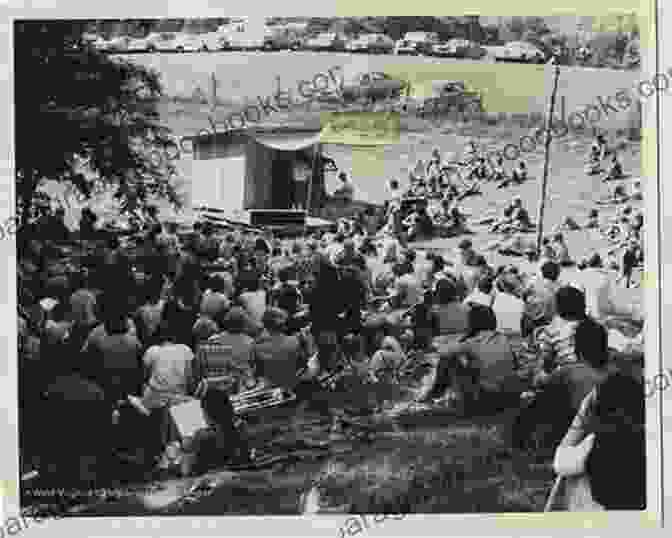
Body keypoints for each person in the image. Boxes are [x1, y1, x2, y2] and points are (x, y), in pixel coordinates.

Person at [551, 370, 645, 510]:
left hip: (605, 519)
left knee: (574, 473)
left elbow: (559, 463)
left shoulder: (598, 441)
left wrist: (581, 417)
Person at [417, 304, 522, 413]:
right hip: (508, 397)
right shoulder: (503, 338)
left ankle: (434, 394)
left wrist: (464, 338)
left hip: (484, 400)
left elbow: (442, 352)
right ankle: (436, 393)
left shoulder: (472, 342)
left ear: (472, 323)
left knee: (449, 360)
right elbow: (514, 364)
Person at [80, 292, 142, 407]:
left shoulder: (96, 334)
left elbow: (84, 360)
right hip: (120, 390)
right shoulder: (133, 338)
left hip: (107, 389)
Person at [534, 286, 588, 386]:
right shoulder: (594, 326)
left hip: (569, 379)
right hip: (592, 376)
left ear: (558, 307)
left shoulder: (551, 330)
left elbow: (546, 363)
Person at [252, 308, 307, 391]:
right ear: (283, 325)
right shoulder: (294, 341)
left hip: (268, 391)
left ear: (265, 324)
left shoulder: (256, 346)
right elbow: (302, 365)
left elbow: (256, 372)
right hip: (291, 389)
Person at [206, 307, 256, 392]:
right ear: (244, 323)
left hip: (219, 386)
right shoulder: (250, 342)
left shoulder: (214, 340)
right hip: (243, 387)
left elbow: (211, 368)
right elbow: (252, 365)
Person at [521, 260, 561, 338]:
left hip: (532, 317)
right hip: (550, 320)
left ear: (542, 272)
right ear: (556, 274)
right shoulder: (559, 287)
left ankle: (527, 340)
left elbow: (523, 294)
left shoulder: (533, 281)